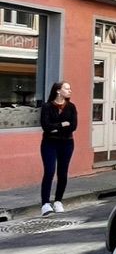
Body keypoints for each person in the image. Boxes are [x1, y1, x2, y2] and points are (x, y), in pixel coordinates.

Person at [40, 81, 78, 215]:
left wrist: (55, 127)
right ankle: (45, 204)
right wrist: (62, 125)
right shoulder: (47, 107)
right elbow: (46, 126)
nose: (70, 90)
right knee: (49, 171)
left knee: (62, 173)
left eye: (70, 88)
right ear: (58, 90)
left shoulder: (71, 107)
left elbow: (73, 126)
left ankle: (58, 201)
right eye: (67, 88)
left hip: (67, 143)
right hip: (49, 143)